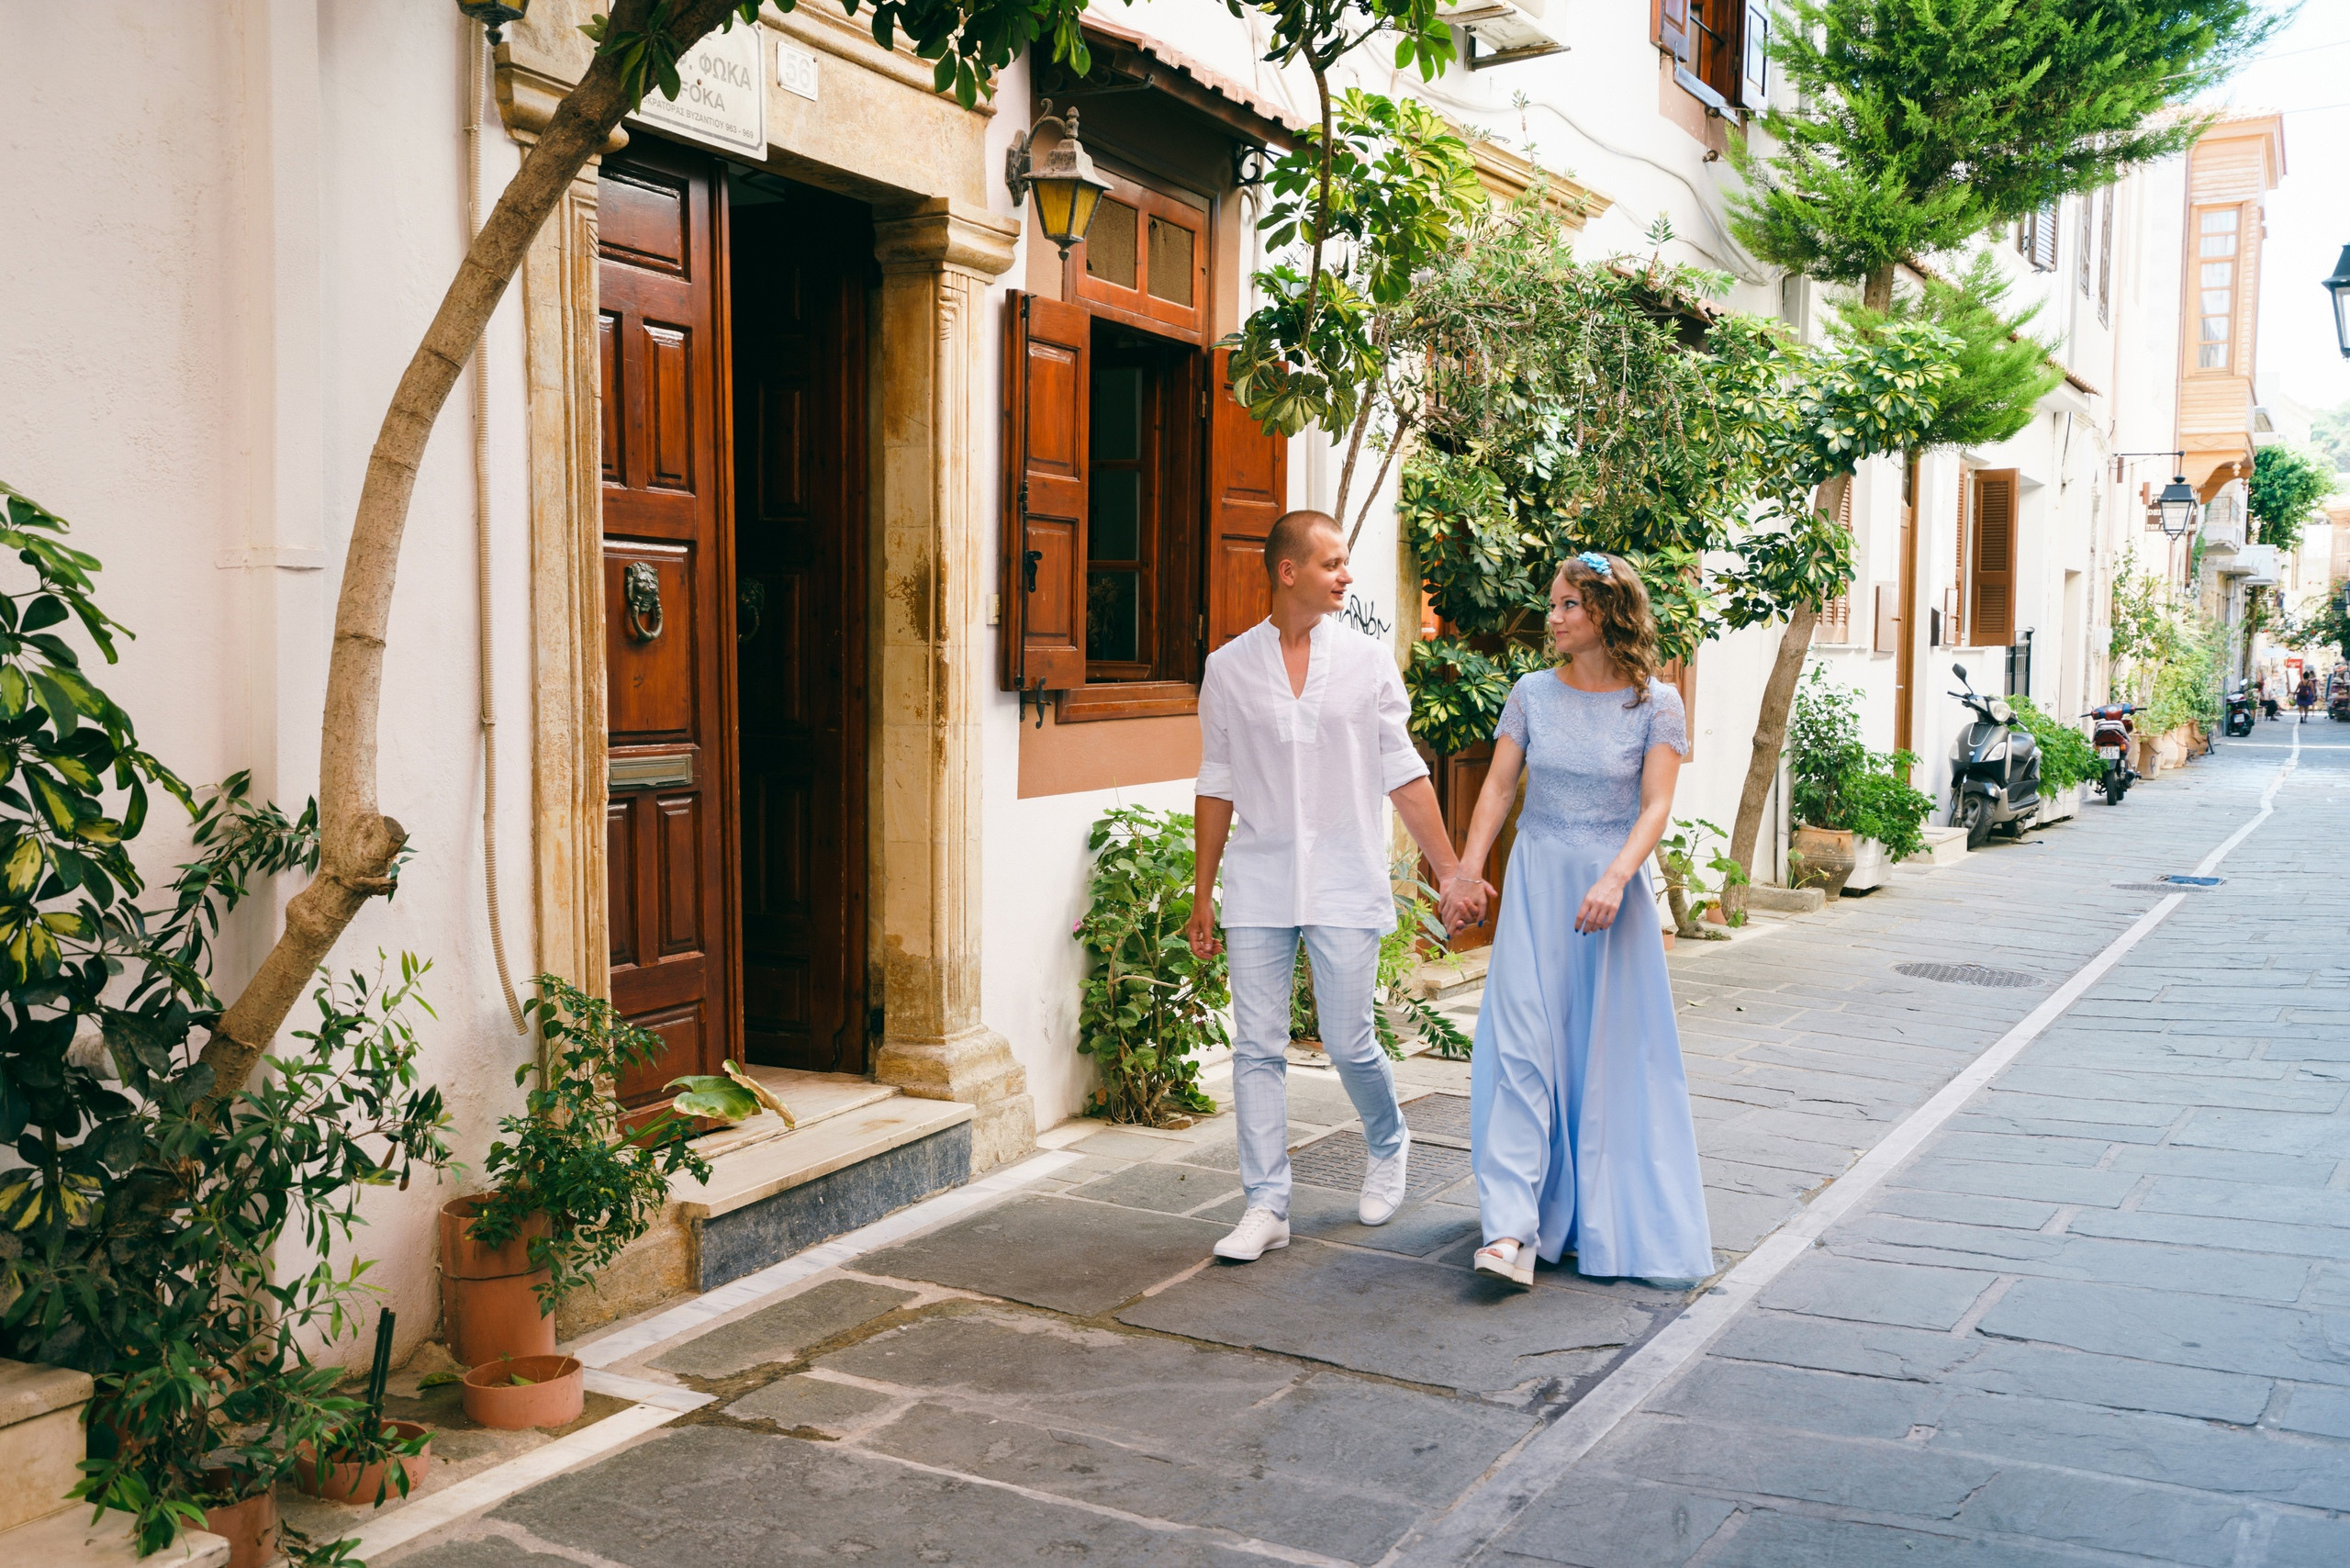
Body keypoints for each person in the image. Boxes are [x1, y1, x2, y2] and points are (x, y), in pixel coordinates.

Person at [1186, 510, 1471, 1263]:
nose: (1347, 575)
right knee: (1257, 1048)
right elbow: (1215, 784)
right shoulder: (1230, 668)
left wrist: (1450, 871)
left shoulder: (1369, 661)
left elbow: (1403, 774)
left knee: (1348, 1040)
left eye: (1347, 563)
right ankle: (1266, 1203)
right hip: (1259, 881)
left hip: (1345, 877)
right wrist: (1200, 894)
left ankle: (1388, 1138)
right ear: (1289, 572)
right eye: (1333, 564)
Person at [1438, 552, 1712, 1289]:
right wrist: (1468, 871)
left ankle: (1597, 1213)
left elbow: (1655, 805)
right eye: (1553, 604)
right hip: (1535, 882)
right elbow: (1496, 790)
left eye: (1567, 605)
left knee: (1606, 1057)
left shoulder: (1658, 704)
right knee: (1520, 1046)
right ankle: (1508, 1230)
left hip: (1608, 893)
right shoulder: (1531, 692)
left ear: (1608, 615)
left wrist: (1618, 878)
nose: (1552, 617)